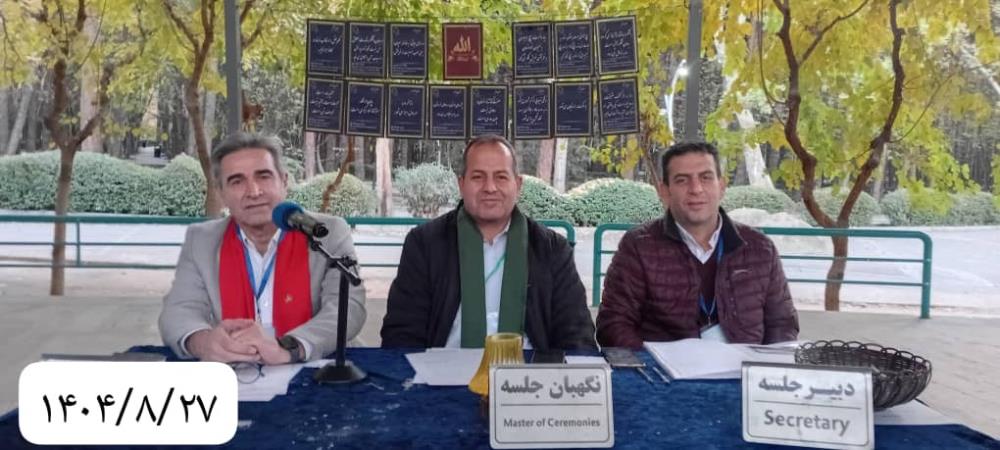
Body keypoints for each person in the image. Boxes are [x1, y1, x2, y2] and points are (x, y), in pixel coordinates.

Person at [159, 132, 366, 364]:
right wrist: (204, 342)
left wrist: (287, 348)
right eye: (237, 181)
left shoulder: (327, 232)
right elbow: (179, 310)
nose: (254, 191)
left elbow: (348, 308)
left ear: (284, 182)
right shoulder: (203, 240)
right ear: (221, 193)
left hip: (318, 367)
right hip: (238, 369)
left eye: (264, 176)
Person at [381, 134, 596, 350]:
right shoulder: (424, 244)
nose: (490, 187)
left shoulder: (551, 249)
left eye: (501, 177)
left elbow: (577, 336)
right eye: (478, 177)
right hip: (443, 368)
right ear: (461, 184)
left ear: (518, 184)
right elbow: (401, 335)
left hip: (529, 369)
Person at [596, 142, 798, 348]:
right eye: (682, 180)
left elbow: (783, 325)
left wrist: (761, 365)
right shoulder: (639, 246)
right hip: (663, 368)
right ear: (664, 192)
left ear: (721, 186)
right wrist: (653, 363)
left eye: (706, 177)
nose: (696, 189)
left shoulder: (760, 248)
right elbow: (613, 325)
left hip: (743, 366)